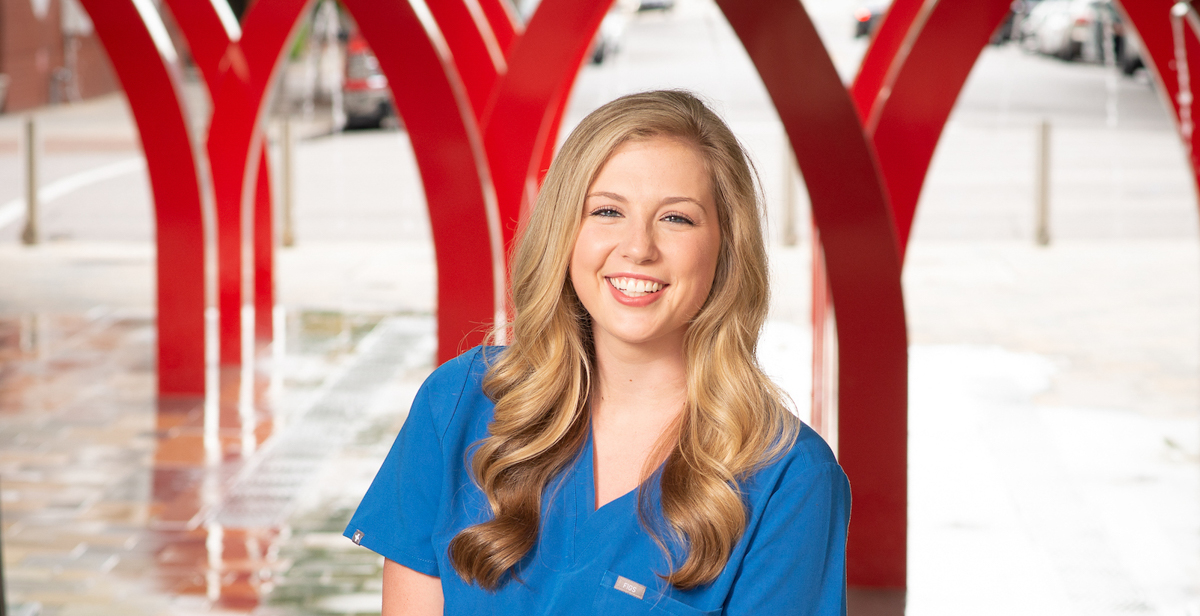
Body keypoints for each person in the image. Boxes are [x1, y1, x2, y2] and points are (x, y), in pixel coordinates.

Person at [344, 90, 851, 615]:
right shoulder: (457, 404)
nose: (638, 247)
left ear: (726, 247)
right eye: (607, 211)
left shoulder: (789, 479)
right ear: (565, 232)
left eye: (676, 218)